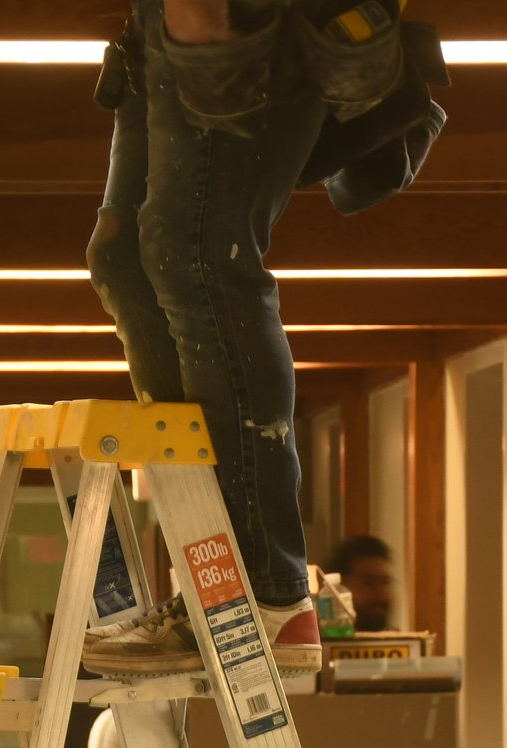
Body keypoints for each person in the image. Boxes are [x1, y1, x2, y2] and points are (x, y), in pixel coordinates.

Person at [78, 0, 334, 679]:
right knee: (125, 257)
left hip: (237, 23)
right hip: (155, 32)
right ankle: (211, 581)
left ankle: (266, 591)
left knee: (200, 256)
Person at [327, 533, 396, 632]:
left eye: (385, 582)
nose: (381, 594)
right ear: (337, 588)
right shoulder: (318, 644)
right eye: (368, 582)